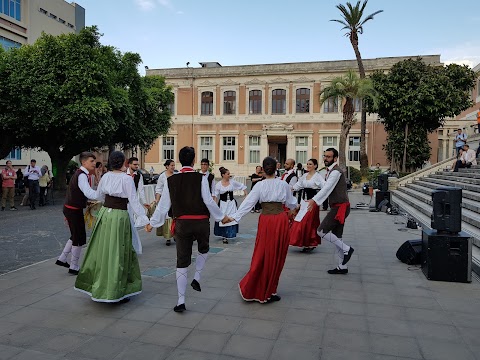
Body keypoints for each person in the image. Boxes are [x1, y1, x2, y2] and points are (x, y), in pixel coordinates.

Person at [146, 146, 228, 312]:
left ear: (179, 160)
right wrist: (221, 217)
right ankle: (197, 276)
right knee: (204, 250)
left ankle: (181, 301)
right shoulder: (201, 178)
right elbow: (209, 201)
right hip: (201, 222)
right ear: (193, 160)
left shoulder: (171, 180)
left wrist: (152, 223)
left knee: (182, 261)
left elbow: (163, 206)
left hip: (182, 223)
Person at [75, 151, 150, 303]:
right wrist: (145, 220)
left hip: (105, 215)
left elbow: (98, 196)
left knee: (103, 250)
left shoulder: (106, 176)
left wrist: (83, 186)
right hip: (119, 217)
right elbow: (134, 202)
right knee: (118, 252)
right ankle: (116, 290)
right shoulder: (126, 179)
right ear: (124, 163)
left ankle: (99, 286)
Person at [226, 156, 298, 303]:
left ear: (263, 170)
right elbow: (292, 204)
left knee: (263, 253)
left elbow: (248, 204)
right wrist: (295, 209)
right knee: (277, 254)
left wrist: (234, 217)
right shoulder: (283, 184)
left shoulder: (260, 185)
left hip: (266, 220)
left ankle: (264, 288)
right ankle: (270, 289)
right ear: (277, 168)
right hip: (280, 221)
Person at [306, 148, 354, 274]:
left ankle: (347, 249)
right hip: (338, 206)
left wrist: (314, 201)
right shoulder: (329, 171)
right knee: (338, 236)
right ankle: (342, 266)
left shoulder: (336, 172)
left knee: (321, 231)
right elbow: (323, 186)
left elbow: (327, 188)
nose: (325, 158)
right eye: (325, 156)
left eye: (328, 157)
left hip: (340, 207)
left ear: (335, 158)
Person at [55, 152, 99, 275]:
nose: (94, 163)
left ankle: (62, 259)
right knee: (79, 238)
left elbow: (82, 193)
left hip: (72, 209)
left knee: (75, 235)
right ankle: (74, 266)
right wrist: (101, 195)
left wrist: (88, 201)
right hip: (72, 210)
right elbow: (88, 192)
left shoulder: (81, 174)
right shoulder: (82, 175)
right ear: (84, 162)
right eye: (91, 161)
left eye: (94, 161)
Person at [290, 159, 323, 252]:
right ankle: (305, 243)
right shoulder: (304, 176)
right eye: (307, 164)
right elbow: (297, 186)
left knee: (309, 222)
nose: (308, 166)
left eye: (310, 164)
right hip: (304, 202)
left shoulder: (318, 176)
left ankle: (311, 243)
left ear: (315, 166)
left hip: (313, 202)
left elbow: (324, 188)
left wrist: (316, 199)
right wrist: (288, 188)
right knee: (300, 221)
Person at [214, 166, 247, 244]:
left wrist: (246, 195)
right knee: (223, 218)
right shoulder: (218, 185)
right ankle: (224, 236)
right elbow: (215, 195)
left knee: (232, 218)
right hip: (223, 204)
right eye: (228, 174)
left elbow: (242, 186)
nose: (229, 175)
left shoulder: (232, 182)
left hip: (231, 203)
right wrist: (215, 206)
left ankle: (230, 234)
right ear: (223, 175)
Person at [126, 157, 150, 252]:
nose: (137, 166)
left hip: (132, 203)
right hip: (122, 202)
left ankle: (132, 243)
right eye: (135, 164)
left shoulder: (139, 176)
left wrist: (144, 202)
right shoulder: (124, 174)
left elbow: (141, 190)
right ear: (129, 164)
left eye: (137, 164)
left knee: (131, 222)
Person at [154, 159, 176, 246]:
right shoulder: (162, 176)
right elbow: (158, 189)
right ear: (167, 166)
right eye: (172, 165)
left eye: (174, 165)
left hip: (175, 200)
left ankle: (175, 234)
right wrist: (157, 199)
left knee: (175, 217)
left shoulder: (176, 175)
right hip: (165, 200)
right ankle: (168, 237)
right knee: (167, 218)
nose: (173, 167)